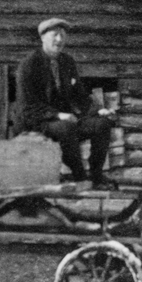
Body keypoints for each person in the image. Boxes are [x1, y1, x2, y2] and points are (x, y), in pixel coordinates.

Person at [16, 17, 116, 189]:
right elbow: (28, 106)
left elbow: (80, 96)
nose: (60, 40)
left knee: (102, 124)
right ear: (42, 38)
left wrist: (99, 111)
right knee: (66, 127)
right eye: (55, 35)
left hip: (64, 122)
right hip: (37, 123)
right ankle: (80, 178)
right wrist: (57, 114)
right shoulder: (29, 64)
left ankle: (97, 175)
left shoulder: (67, 62)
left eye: (63, 35)